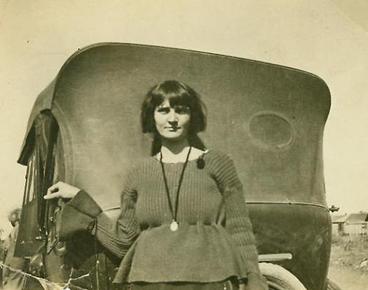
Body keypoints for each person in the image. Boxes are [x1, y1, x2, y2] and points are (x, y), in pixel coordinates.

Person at [45, 80, 268, 290]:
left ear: (192, 116)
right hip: (151, 282)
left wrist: (254, 279)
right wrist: (80, 201)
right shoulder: (139, 173)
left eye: (181, 110)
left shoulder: (218, 164)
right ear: (152, 117)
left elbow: (240, 230)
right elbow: (124, 241)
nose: (172, 118)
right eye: (163, 110)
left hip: (211, 279)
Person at [2, 208, 27, 290]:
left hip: (11, 260)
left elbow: (6, 248)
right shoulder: (22, 229)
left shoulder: (14, 231)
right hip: (18, 260)